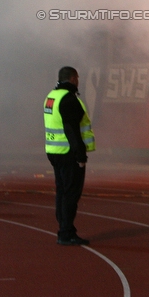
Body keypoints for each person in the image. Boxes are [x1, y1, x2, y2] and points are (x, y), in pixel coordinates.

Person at [44, 66, 96, 246]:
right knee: (71, 194)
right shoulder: (69, 100)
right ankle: (65, 232)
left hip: (54, 151)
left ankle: (65, 227)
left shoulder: (52, 97)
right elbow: (71, 130)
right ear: (73, 79)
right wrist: (81, 155)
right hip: (68, 154)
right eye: (78, 78)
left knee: (62, 191)